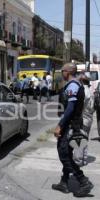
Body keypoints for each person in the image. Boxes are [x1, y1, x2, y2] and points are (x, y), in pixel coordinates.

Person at [52, 63, 94, 197]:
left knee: (64, 154)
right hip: (73, 124)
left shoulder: (73, 85)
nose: (61, 74)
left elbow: (70, 108)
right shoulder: (76, 84)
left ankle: (83, 180)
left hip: (70, 125)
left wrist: (60, 125)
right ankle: (64, 182)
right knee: (68, 154)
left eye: (62, 71)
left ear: (68, 72)